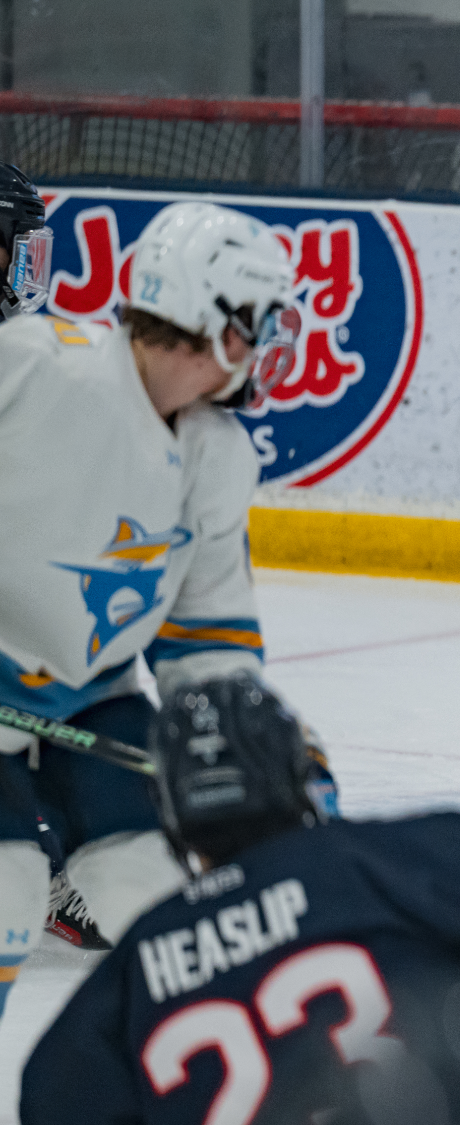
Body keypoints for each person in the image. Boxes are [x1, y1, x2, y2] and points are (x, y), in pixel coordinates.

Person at [20, 673, 460, 1125]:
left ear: (169, 813)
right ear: (297, 774)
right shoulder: (407, 857)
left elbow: (46, 1099)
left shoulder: (130, 974)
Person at [0, 196, 311, 1018]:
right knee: (6, 890)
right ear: (208, 317)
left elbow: (205, 630)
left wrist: (237, 730)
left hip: (85, 699)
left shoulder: (217, 454)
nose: (270, 343)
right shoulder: (33, 366)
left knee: (160, 879)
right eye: (260, 321)